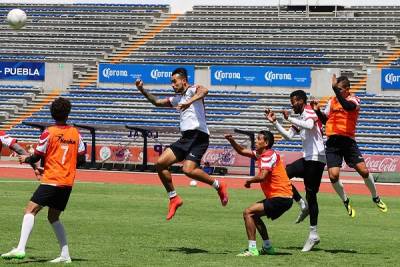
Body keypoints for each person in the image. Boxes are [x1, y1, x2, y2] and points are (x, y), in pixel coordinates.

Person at [135, 67, 228, 220]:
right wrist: (142, 90)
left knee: (188, 170)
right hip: (186, 137)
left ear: (183, 80)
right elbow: (157, 102)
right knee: (160, 164)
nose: (172, 85)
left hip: (199, 136)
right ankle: (174, 198)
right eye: (171, 82)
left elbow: (205, 91)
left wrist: (188, 103)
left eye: (174, 81)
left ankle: (219, 185)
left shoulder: (192, 90)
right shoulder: (177, 99)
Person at [1, 97, 86, 263]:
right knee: (53, 217)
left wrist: (26, 159)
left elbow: (36, 156)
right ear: (68, 114)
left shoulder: (49, 132)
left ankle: (20, 248)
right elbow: (82, 159)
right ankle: (65, 255)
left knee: (30, 210)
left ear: (52, 113)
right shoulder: (76, 134)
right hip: (67, 182)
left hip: (51, 180)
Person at [311, 74, 387, 217]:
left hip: (348, 142)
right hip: (333, 143)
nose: (337, 91)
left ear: (347, 89)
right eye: (336, 89)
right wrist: (317, 111)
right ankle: (345, 200)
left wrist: (335, 90)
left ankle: (376, 197)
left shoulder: (354, 99)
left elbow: (348, 107)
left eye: (339, 89)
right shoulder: (332, 101)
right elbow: (325, 120)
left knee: (363, 171)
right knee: (333, 176)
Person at [265, 89, 326, 252]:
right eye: (291, 102)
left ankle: (313, 234)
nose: (292, 105)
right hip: (308, 158)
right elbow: (288, 136)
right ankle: (301, 204)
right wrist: (275, 122)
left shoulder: (309, 111)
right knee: (284, 175)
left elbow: (310, 124)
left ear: (301, 101)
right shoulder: (298, 117)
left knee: (312, 195)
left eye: (294, 102)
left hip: (317, 157)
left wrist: (289, 117)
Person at [225, 131, 292, 257]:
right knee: (254, 215)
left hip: (280, 197)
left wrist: (249, 181)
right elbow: (242, 151)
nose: (256, 141)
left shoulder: (268, 155)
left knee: (248, 212)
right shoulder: (262, 154)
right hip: (282, 197)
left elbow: (262, 176)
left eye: (258, 139)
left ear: (266, 143)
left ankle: (252, 249)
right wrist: (231, 140)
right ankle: (267, 247)